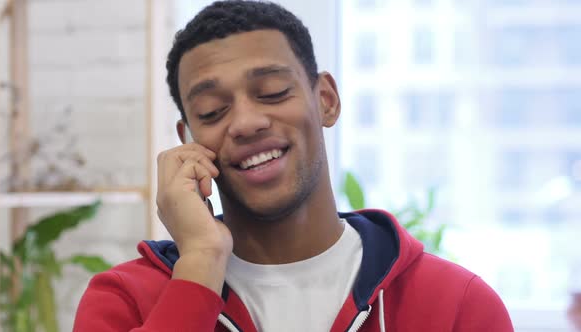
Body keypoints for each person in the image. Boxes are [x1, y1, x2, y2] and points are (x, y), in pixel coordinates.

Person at [73, 1, 513, 331]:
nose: (245, 123)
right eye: (211, 111)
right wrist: (202, 260)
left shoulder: (457, 304)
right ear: (187, 139)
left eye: (272, 91)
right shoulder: (125, 302)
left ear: (326, 100)